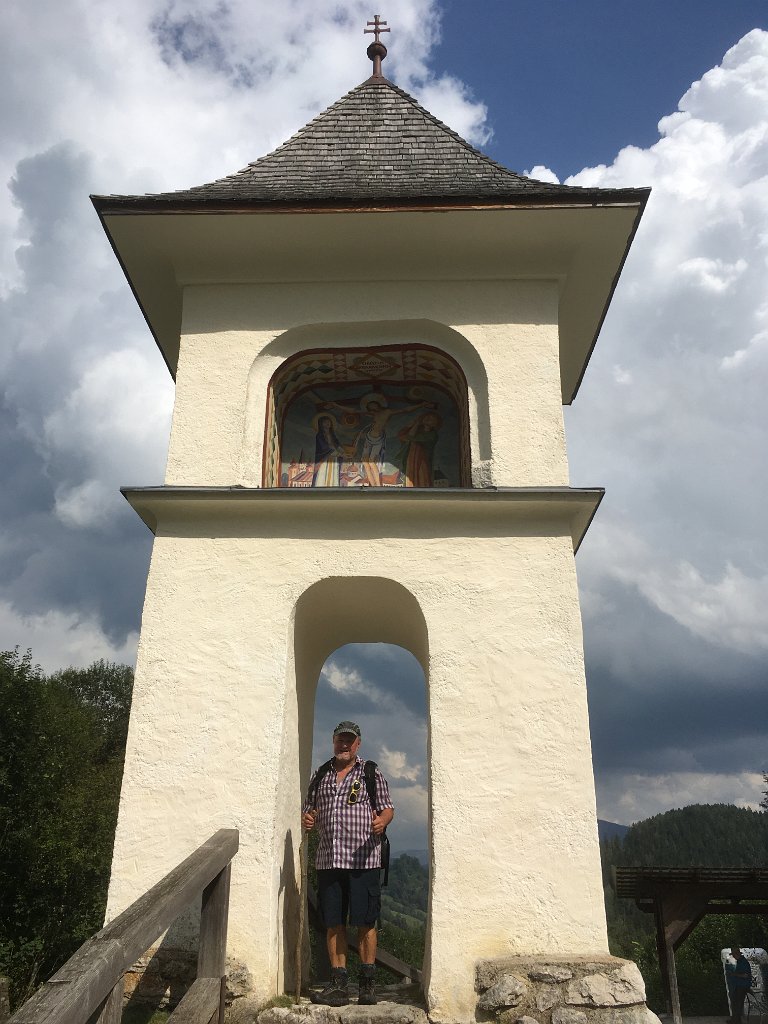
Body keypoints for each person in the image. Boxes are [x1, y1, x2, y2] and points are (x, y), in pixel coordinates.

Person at [302, 721, 394, 1006]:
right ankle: (338, 985)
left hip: (363, 860)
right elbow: (309, 810)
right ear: (333, 741)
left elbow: (387, 808)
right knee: (333, 923)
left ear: (357, 744)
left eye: (349, 741)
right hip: (329, 860)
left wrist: (382, 821)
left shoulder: (370, 772)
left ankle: (367, 986)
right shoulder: (321, 774)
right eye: (340, 740)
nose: (344, 745)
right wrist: (308, 818)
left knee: (365, 922)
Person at [726, 946, 752, 1024]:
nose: (733, 956)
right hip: (739, 985)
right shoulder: (740, 961)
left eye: (734, 955)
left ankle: (736, 1021)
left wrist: (734, 974)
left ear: (737, 954)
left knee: (738, 1003)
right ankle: (736, 1020)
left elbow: (746, 975)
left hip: (742, 986)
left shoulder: (743, 962)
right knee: (736, 1003)